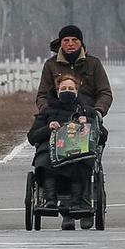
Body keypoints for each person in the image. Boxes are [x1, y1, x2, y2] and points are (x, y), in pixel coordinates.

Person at [27, 74, 100, 230]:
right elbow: (32, 137)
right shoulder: (47, 112)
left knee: (79, 159)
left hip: (76, 149)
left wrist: (87, 124)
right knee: (45, 159)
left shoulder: (85, 111)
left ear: (77, 90)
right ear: (57, 90)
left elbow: (102, 135)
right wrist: (48, 128)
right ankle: (50, 199)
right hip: (52, 148)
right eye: (63, 88)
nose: (67, 91)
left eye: (71, 88)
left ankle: (76, 202)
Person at [35, 24, 113, 116]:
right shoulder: (51, 65)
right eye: (66, 40)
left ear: (81, 42)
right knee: (36, 130)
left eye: (75, 40)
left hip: (88, 116)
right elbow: (42, 95)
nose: (70, 43)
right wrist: (47, 112)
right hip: (57, 117)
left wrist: (98, 111)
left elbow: (105, 92)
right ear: (61, 43)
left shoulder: (93, 63)